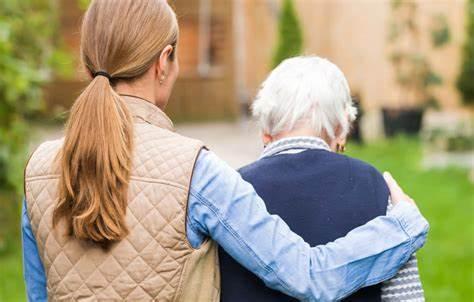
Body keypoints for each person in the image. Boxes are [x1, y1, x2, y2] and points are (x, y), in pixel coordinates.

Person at [22, 1, 428, 301]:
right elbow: (308, 276)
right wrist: (402, 227)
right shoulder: (195, 170)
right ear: (165, 62)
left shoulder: (37, 170)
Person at [219, 56, 426, 302]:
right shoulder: (377, 188)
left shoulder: (229, 191)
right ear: (342, 130)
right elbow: (405, 296)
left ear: (265, 131)